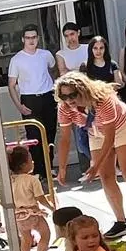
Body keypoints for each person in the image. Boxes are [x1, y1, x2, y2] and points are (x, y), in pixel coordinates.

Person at [53, 72, 126, 238]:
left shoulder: (102, 100)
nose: (69, 100)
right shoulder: (65, 108)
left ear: (83, 90)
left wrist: (95, 166)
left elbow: (111, 137)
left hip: (123, 128)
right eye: (63, 96)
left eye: (73, 94)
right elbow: (64, 138)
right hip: (96, 132)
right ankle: (121, 221)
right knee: (106, 176)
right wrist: (62, 168)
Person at [7, 26, 59, 180]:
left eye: (34, 37)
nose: (31, 40)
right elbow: (11, 85)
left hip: (48, 96)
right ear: (23, 39)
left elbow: (53, 70)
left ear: (38, 38)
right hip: (29, 98)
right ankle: (38, 170)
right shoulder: (16, 59)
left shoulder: (45, 55)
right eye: (28, 37)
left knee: (50, 134)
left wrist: (56, 91)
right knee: (34, 136)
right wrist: (19, 105)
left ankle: (49, 168)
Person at [7, 145, 54, 251]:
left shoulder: (10, 181)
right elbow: (40, 198)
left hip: (19, 216)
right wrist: (50, 207)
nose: (32, 162)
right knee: (45, 233)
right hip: (33, 213)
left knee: (26, 240)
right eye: (30, 160)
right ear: (23, 165)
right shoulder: (32, 180)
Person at [54, 23, 92, 168]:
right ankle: (89, 166)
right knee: (81, 138)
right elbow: (62, 72)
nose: (70, 38)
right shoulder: (61, 54)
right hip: (72, 97)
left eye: (72, 34)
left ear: (78, 33)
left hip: (88, 94)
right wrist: (80, 70)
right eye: (67, 36)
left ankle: (102, 165)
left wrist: (73, 71)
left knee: (95, 132)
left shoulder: (88, 48)